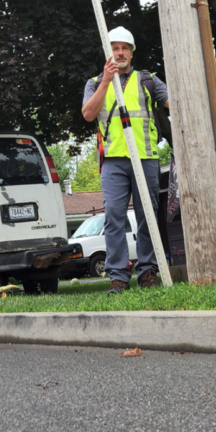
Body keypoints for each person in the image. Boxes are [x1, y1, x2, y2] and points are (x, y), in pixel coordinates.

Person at [81, 27, 169, 296]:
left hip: (145, 157)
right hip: (113, 160)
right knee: (114, 218)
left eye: (124, 48)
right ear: (108, 53)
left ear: (131, 52)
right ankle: (118, 276)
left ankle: (148, 271)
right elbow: (88, 114)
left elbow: (173, 103)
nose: (119, 53)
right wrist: (107, 81)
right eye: (114, 48)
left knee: (147, 217)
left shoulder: (149, 80)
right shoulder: (95, 83)